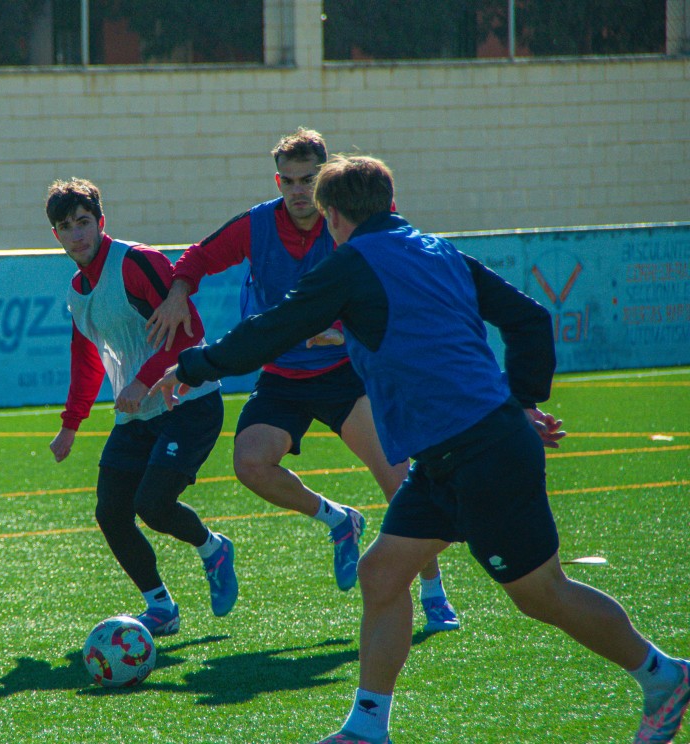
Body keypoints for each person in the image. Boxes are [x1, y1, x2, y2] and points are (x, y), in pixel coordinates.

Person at [152, 155, 689, 743]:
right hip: (451, 455)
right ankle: (366, 728)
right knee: (382, 574)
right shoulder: (437, 248)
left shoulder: (352, 263)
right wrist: (525, 400)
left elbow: (274, 327)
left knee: (543, 596)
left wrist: (192, 368)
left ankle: (664, 676)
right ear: (389, 202)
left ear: (332, 215)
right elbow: (530, 320)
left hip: (480, 452)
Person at [145, 128, 458, 632]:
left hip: (345, 376)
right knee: (249, 463)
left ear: (326, 176)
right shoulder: (256, 224)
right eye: (288, 181)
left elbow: (395, 283)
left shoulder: (354, 222)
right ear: (277, 181)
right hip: (283, 376)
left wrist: (346, 332)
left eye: (309, 179)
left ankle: (433, 592)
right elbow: (199, 258)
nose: (298, 191)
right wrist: (180, 290)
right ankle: (339, 520)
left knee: (399, 483)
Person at [45, 177, 238, 638]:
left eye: (84, 222)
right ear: (55, 235)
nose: (78, 234)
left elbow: (190, 334)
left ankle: (213, 549)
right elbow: (87, 360)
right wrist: (71, 425)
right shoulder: (77, 290)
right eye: (67, 226)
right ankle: (161, 607)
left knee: (153, 505)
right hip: (136, 417)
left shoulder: (136, 262)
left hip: (188, 402)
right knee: (111, 513)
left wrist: (141, 381)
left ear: (101, 222)